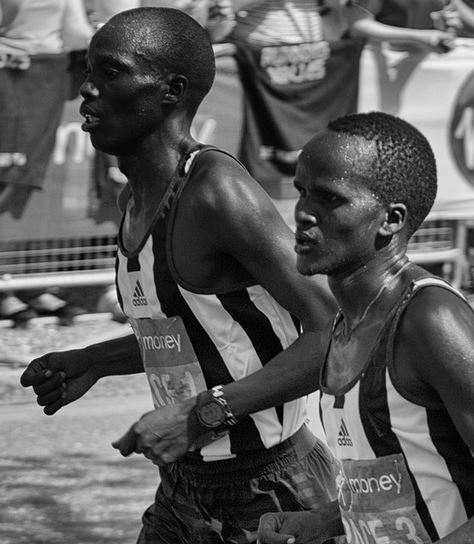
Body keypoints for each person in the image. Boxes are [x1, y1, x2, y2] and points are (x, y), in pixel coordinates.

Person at [19, 7, 341, 544]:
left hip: (274, 486)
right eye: (89, 71)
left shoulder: (215, 190)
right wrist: (93, 360)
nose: (87, 88)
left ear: (171, 90)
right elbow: (197, 330)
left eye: (111, 71)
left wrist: (203, 413)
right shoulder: (135, 196)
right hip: (185, 487)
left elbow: (335, 331)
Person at [257, 111, 474, 544]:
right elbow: (398, 479)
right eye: (302, 192)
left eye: (329, 199)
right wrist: (322, 522)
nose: (305, 214)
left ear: (391, 219)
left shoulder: (428, 319)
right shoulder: (347, 320)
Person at [217, 0, 454, 198]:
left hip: (315, 72)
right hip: (257, 76)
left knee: (309, 177)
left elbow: (342, 10)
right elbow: (227, 6)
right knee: (261, 181)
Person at [0, 0, 94, 324]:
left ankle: (28, 284)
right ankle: (9, 288)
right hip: (13, 78)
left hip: (45, 79)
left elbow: (76, 32)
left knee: (28, 184)